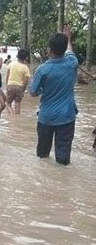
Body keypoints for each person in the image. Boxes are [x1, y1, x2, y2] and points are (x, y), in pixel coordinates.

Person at [29, 26, 78, 165]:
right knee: (63, 159)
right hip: (67, 117)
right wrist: (68, 38)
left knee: (42, 156)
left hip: (46, 118)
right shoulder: (72, 63)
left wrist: (41, 89)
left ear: (49, 49)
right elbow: (70, 51)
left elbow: (33, 92)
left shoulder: (43, 69)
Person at [5, 49, 31, 114]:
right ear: (26, 57)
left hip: (10, 85)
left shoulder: (11, 64)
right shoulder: (25, 68)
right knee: (18, 104)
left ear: (17, 56)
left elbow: (7, 76)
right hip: (19, 87)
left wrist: (7, 86)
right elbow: (25, 81)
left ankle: (12, 115)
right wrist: (23, 90)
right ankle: (16, 118)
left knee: (7, 103)